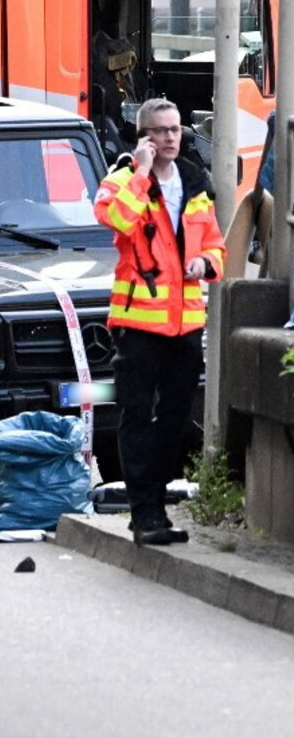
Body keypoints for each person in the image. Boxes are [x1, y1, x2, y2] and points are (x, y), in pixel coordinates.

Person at [94, 97, 225, 546]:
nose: (171, 137)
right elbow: (116, 220)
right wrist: (142, 172)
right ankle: (145, 513)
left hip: (185, 323)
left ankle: (155, 504)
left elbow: (215, 244)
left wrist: (206, 263)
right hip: (138, 324)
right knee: (136, 416)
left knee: (175, 419)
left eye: (175, 129)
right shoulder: (121, 180)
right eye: (161, 131)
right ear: (143, 136)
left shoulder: (194, 182)